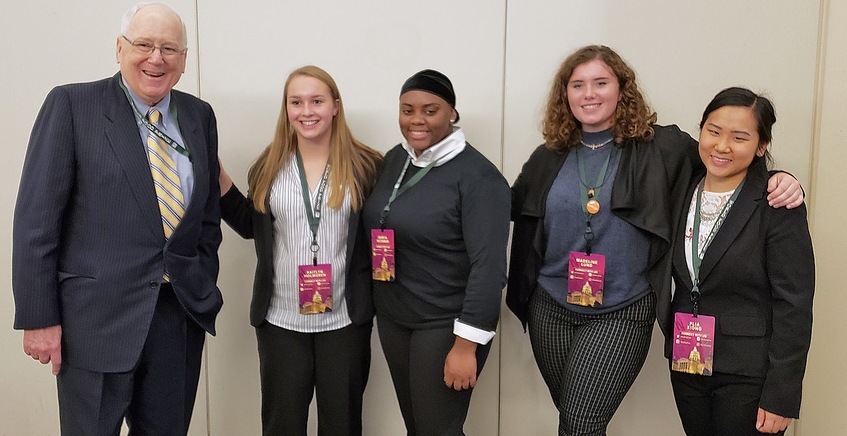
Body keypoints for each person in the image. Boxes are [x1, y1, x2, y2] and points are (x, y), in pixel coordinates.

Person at [506, 45, 804, 435]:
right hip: (551, 308)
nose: (589, 93)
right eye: (577, 85)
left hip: (622, 309)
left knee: (579, 423)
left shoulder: (662, 147)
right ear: (565, 94)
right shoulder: (550, 155)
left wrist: (782, 179)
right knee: (574, 416)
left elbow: (726, 165)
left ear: (622, 89)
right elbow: (505, 207)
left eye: (601, 82)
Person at [12, 2, 222, 435]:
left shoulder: (199, 115)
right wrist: (38, 317)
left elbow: (206, 219)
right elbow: (36, 222)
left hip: (177, 318)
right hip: (94, 324)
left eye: (169, 48)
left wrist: (202, 277)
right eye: (144, 44)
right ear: (119, 48)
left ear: (184, 60)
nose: (155, 58)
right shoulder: (73, 104)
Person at [219, 65, 382, 435]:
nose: (306, 111)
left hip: (344, 321)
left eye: (317, 101)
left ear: (336, 106)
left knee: (342, 425)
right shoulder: (268, 165)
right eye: (296, 102)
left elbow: (385, 232)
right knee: (282, 425)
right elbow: (250, 226)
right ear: (287, 108)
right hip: (280, 322)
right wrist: (218, 178)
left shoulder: (367, 166)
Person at [361, 69, 510, 435]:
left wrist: (465, 345)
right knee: (418, 428)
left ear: (452, 113)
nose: (417, 120)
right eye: (407, 110)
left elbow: (489, 268)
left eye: (431, 110)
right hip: (396, 319)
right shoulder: (397, 159)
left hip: (444, 324)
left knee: (437, 429)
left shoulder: (479, 177)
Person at [661, 87, 814, 436]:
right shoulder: (683, 188)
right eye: (713, 131)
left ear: (762, 146)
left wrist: (782, 395)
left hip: (750, 374)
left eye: (739, 137)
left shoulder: (776, 202)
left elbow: (795, 303)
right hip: (689, 363)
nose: (722, 146)